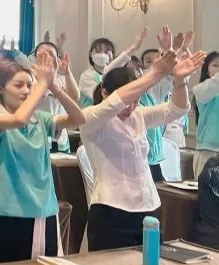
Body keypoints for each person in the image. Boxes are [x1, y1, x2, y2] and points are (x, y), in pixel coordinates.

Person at [80, 33, 205, 251]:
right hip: (110, 210)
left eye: (136, 102)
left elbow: (176, 109)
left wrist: (180, 80)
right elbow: (116, 102)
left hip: (148, 207)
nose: (131, 108)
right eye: (129, 101)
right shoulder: (92, 117)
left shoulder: (139, 115)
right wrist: (156, 73)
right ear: (104, 93)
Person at [0, 54, 87, 263]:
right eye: (18, 85)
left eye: (30, 85)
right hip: (11, 210)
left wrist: (54, 86)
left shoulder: (40, 118)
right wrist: (42, 84)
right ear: (0, 87)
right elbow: (18, 119)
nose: (26, 91)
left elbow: (79, 118)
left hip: (45, 208)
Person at [192, 51, 219, 177]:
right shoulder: (202, 89)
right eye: (215, 65)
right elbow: (211, 86)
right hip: (207, 152)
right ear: (206, 70)